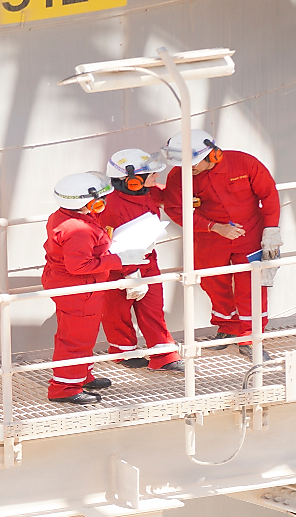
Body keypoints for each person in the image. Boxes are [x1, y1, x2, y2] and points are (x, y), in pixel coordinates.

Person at [162, 131, 281, 360]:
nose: (189, 169)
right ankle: (227, 327)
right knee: (212, 282)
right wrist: (213, 227)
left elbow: (268, 195)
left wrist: (271, 231)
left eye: (194, 164)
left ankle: (250, 337)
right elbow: (175, 209)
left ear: (213, 155)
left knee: (252, 285)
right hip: (210, 238)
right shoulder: (179, 176)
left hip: (251, 235)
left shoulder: (244, 163)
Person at [44, 172, 150, 404]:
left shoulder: (63, 217)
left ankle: (81, 375)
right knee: (76, 339)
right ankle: (65, 388)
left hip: (74, 287)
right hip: (80, 290)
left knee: (77, 334)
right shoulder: (78, 230)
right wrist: (119, 260)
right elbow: (79, 265)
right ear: (89, 202)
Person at [98, 149, 185, 373]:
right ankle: (123, 351)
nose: (157, 177)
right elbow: (105, 244)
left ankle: (164, 355)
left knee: (153, 308)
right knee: (116, 312)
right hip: (116, 269)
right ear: (133, 181)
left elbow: (167, 195)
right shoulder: (110, 206)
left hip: (147, 262)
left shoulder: (148, 193)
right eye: (151, 174)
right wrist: (129, 272)